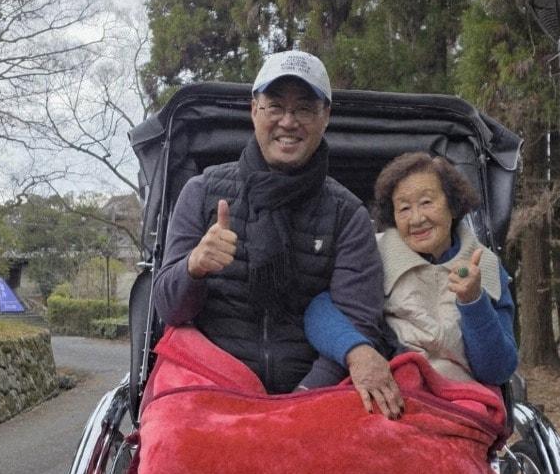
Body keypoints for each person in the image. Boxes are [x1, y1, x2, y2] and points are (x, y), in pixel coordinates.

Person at [152, 49, 404, 417]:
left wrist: (300, 399)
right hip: (210, 383)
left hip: (316, 391)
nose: (288, 121)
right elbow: (167, 307)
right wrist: (194, 267)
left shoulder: (346, 214)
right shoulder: (202, 192)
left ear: (326, 117)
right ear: (255, 110)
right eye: (275, 107)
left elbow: (356, 322)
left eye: (304, 108)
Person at [305, 151, 518, 385]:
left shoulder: (485, 266)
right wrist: (355, 350)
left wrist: (473, 302)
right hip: (393, 391)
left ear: (453, 205)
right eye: (404, 208)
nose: (416, 219)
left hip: (463, 399)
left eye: (426, 203)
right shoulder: (371, 252)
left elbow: (497, 371)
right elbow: (319, 309)